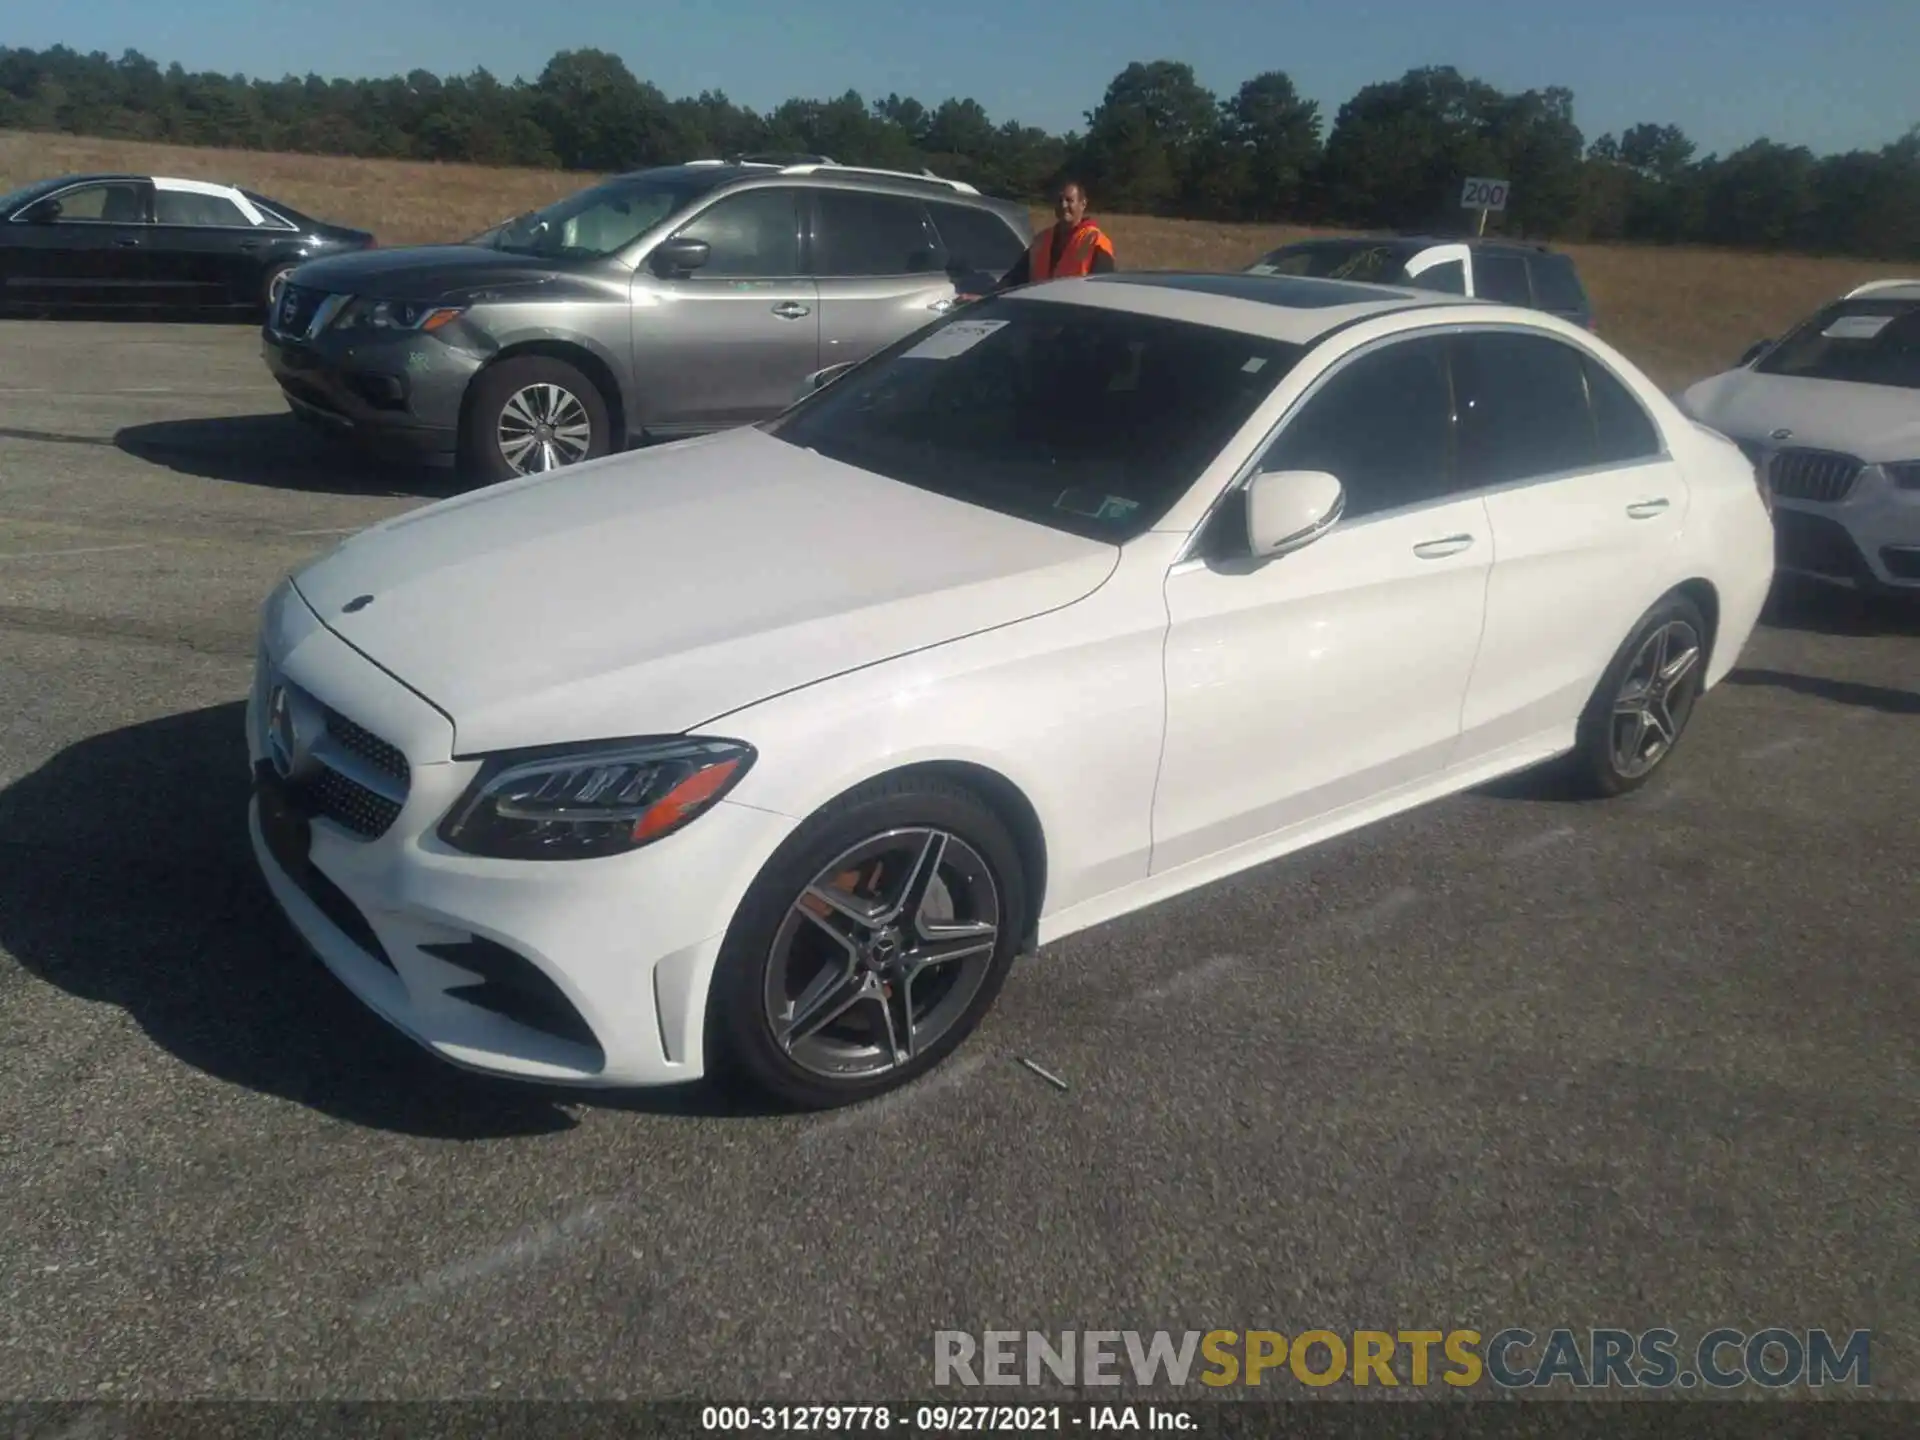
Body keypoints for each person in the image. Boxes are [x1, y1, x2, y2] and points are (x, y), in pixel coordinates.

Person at [963, 180, 1115, 298]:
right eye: (1059, 200)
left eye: (1069, 200)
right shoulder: (1042, 239)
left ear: (1083, 204)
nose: (1063, 205)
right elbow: (1015, 278)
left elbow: (1102, 292)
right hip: (1042, 319)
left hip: (1077, 323)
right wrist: (984, 298)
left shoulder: (1095, 241)